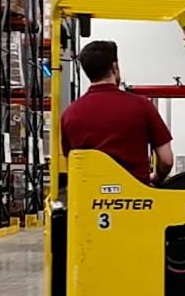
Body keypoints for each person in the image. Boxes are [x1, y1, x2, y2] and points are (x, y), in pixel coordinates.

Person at [61, 40, 174, 186]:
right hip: (138, 200)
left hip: (87, 200)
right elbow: (166, 160)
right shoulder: (142, 106)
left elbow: (71, 162)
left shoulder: (69, 114)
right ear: (114, 67)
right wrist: (156, 178)